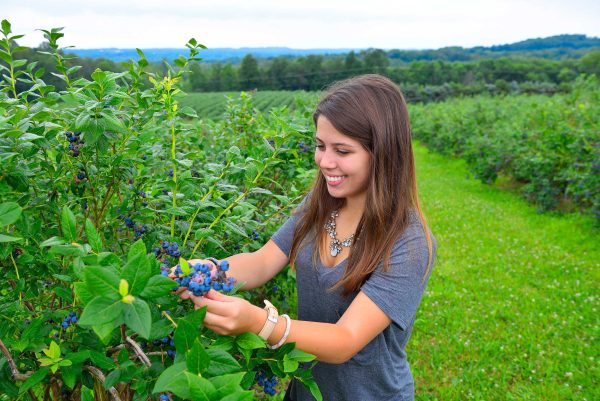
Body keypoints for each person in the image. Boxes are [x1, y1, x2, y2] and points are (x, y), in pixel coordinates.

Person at [179, 74, 437, 401]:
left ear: (383, 152)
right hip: (307, 390)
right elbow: (261, 262)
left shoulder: (409, 243)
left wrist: (260, 322)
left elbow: (346, 339)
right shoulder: (317, 208)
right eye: (320, 145)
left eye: (342, 150)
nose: (325, 162)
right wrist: (209, 270)